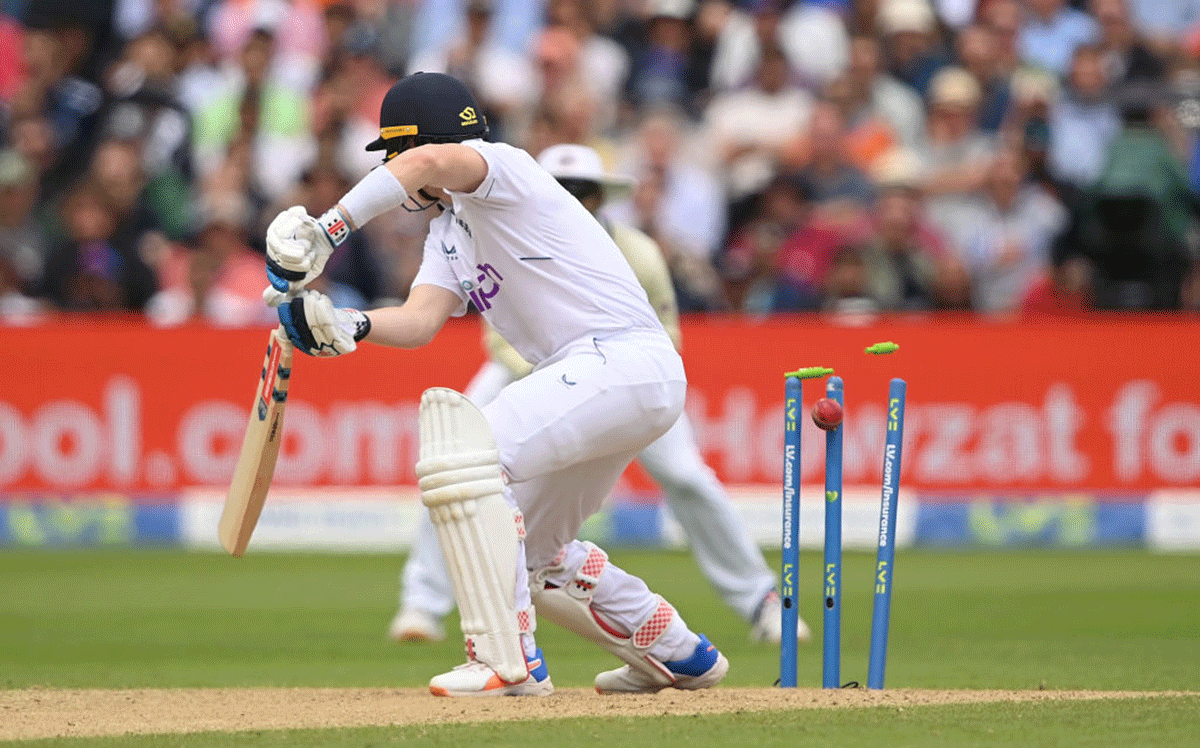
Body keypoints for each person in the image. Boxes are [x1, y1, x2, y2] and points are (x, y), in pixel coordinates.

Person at [261, 72, 728, 697]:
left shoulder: (502, 169)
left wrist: (328, 230)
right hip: (604, 377)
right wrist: (346, 323)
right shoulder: (448, 232)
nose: (398, 174)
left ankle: (506, 659)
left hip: (621, 359)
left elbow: (426, 159)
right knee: (535, 555)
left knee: (468, 454)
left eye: (395, 155)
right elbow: (422, 320)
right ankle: (676, 652)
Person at [390, 143, 809, 648]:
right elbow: (501, 335)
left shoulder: (637, 251)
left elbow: (665, 335)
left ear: (598, 198)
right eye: (564, 189)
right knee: (454, 459)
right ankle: (423, 601)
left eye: (583, 192)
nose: (573, 199)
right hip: (523, 371)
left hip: (623, 372)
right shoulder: (496, 232)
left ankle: (763, 600)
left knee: (688, 476)